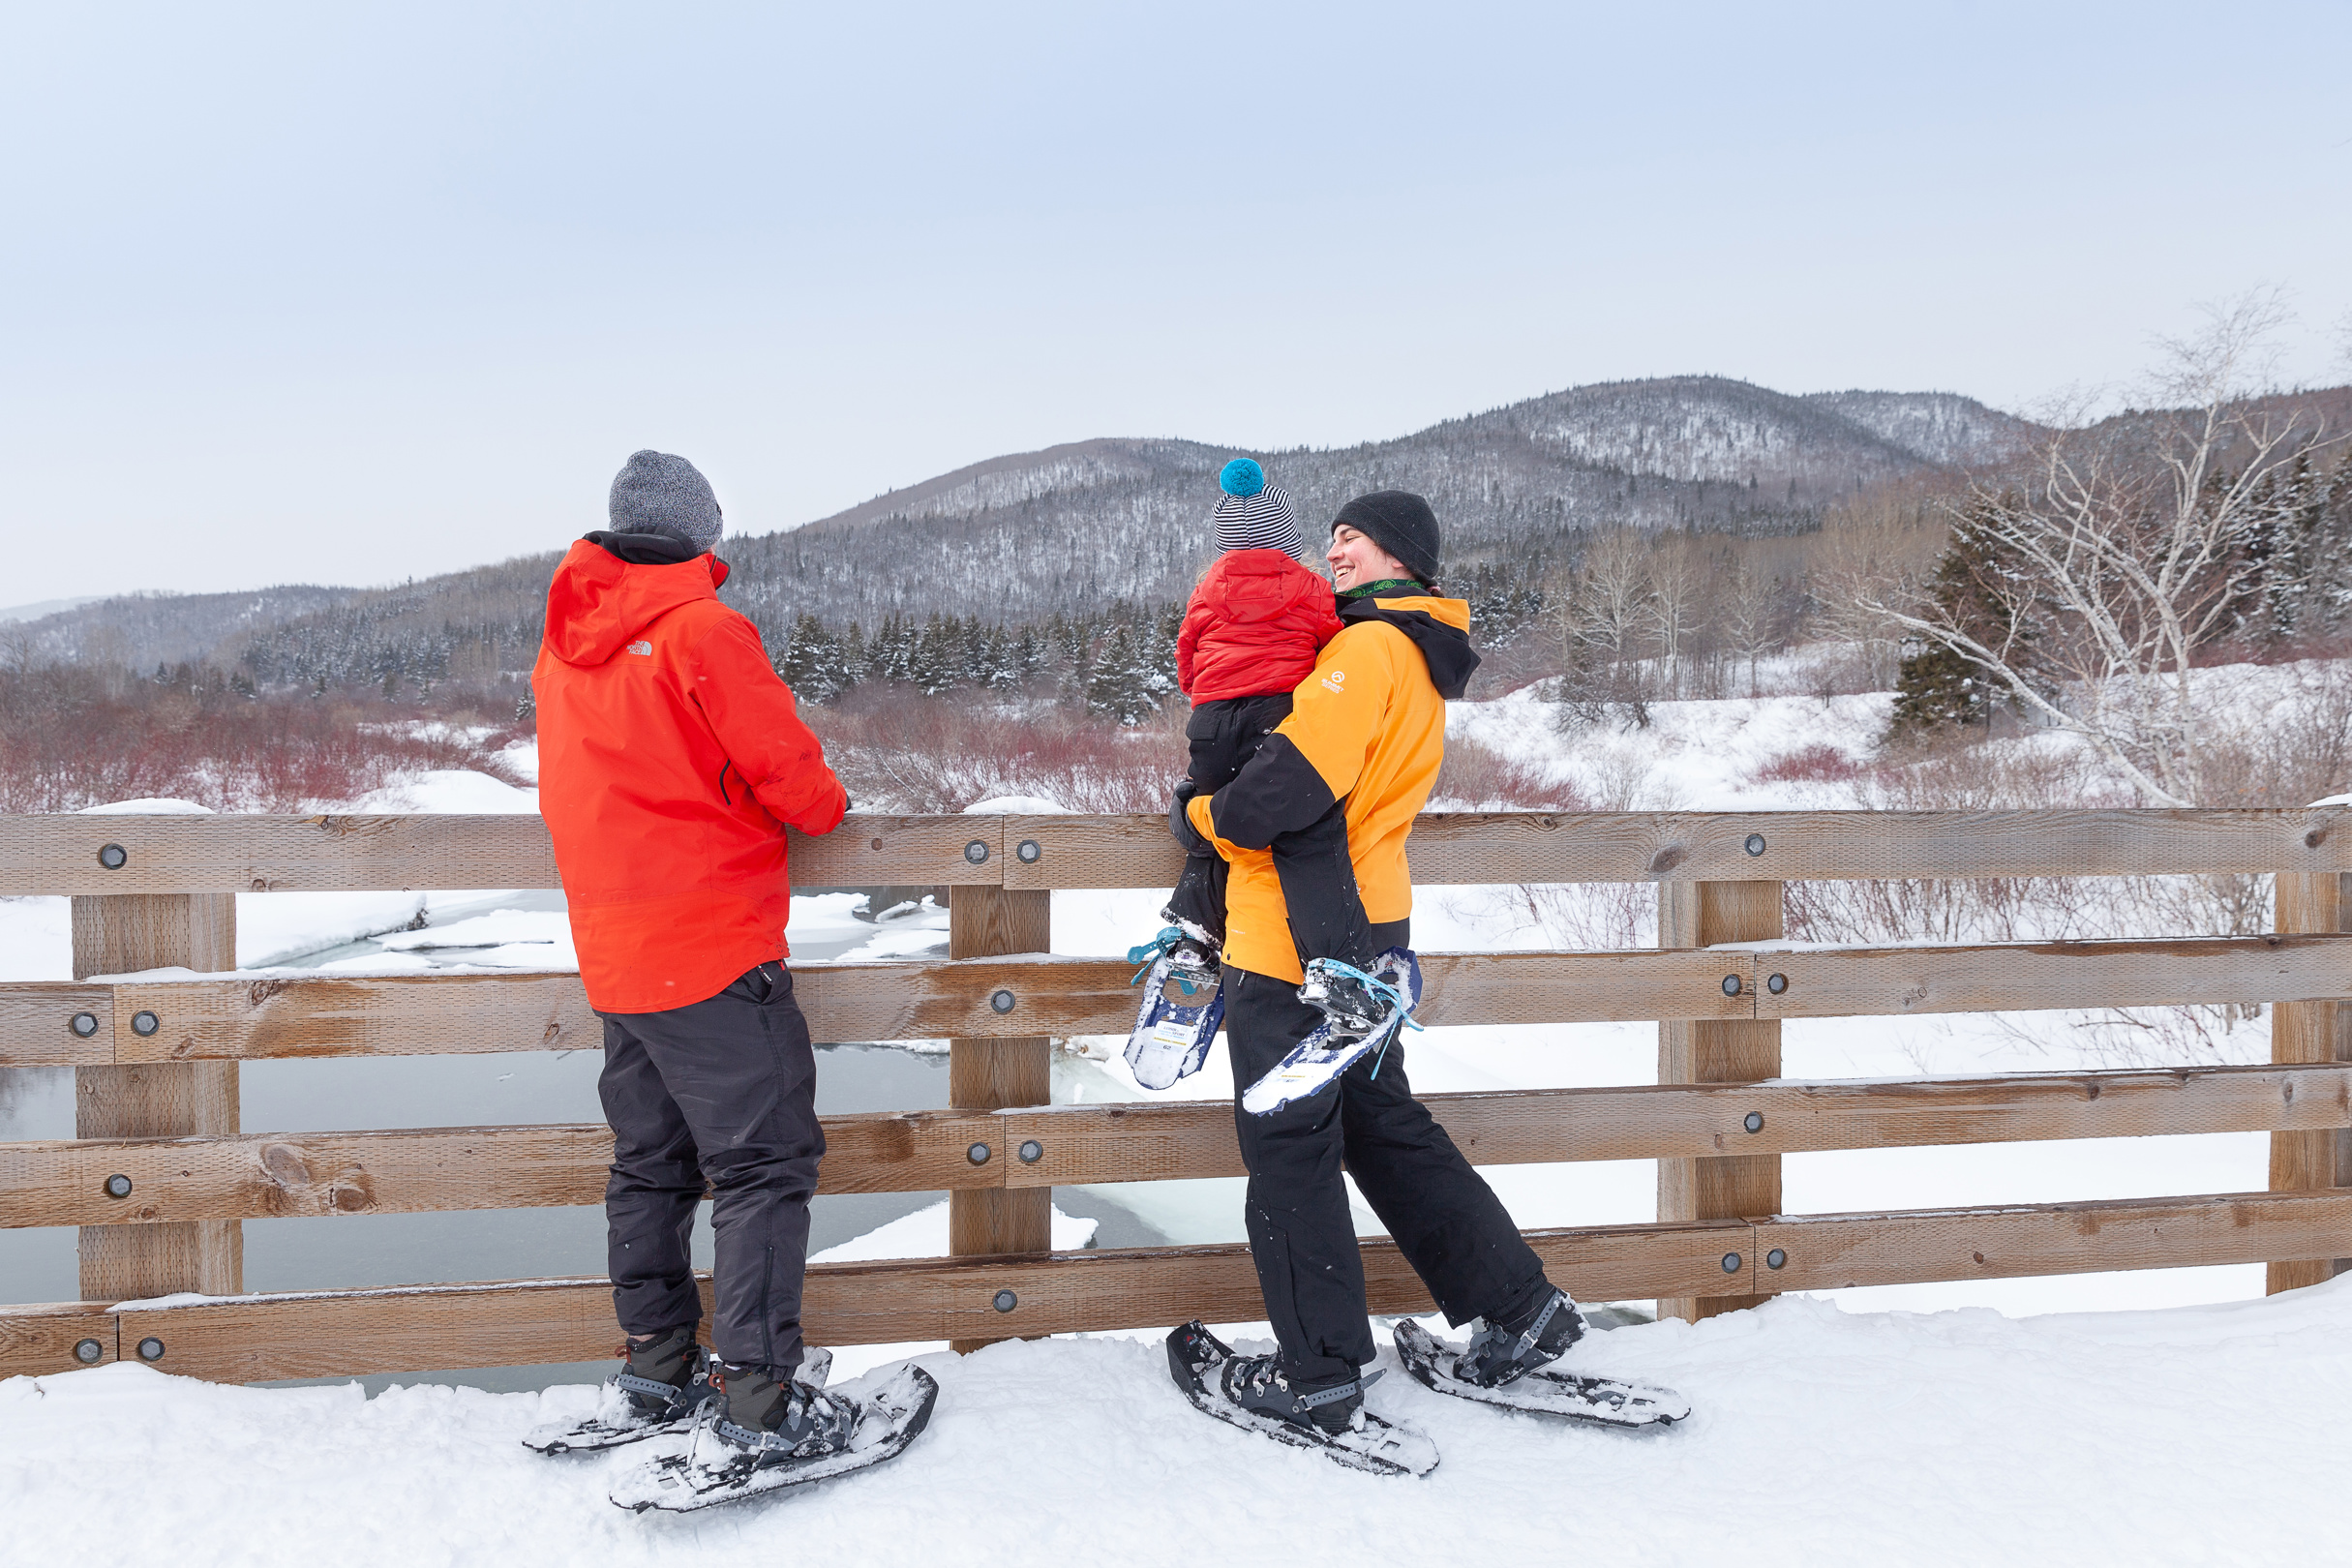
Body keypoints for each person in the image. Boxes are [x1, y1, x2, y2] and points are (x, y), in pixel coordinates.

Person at [1173, 490, 1590, 1435]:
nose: (1336, 552)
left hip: (1295, 947)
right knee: (1380, 1123)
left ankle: (1316, 1374)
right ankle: (1518, 1309)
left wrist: (1196, 815)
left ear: (1404, 553)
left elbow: (1264, 803)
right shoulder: (1414, 652)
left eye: (1354, 538)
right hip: (1372, 933)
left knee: (1290, 1153)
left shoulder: (1364, 652)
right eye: (1332, 541)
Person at [532, 449, 857, 1459]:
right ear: (704, 533)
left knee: (651, 1167)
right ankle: (759, 1397)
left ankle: (655, 1370)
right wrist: (826, 809)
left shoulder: (563, 647)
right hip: (713, 949)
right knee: (765, 1166)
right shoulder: (702, 630)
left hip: (618, 958)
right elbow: (794, 780)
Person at [1148, 459, 1375, 1024]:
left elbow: (1187, 649)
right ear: (1288, 537)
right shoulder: (1309, 586)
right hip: (1274, 712)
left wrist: (1201, 694)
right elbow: (1331, 645)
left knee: (1215, 823)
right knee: (1307, 833)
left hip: (1210, 720)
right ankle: (1334, 967)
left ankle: (1194, 940)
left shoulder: (1209, 585)